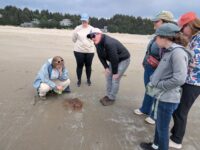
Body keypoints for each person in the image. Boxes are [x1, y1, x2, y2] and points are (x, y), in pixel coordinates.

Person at [140, 23, 191, 150]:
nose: (155, 40)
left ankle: (160, 146)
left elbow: (179, 78)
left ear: (165, 37)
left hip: (167, 98)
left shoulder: (177, 53)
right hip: (162, 96)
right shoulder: (169, 51)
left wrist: (159, 84)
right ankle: (155, 145)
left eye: (157, 37)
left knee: (162, 128)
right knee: (159, 124)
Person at [134, 11, 175, 125]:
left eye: (157, 21)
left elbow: (169, 56)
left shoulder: (171, 36)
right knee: (149, 88)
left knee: (157, 92)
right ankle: (145, 109)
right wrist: (144, 61)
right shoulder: (158, 34)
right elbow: (149, 50)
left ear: (165, 22)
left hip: (159, 69)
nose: (154, 23)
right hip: (150, 66)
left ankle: (154, 115)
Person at [170, 12, 200, 149]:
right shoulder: (194, 37)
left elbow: (195, 62)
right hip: (188, 80)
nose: (182, 31)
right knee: (178, 109)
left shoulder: (198, 39)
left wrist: (182, 59)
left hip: (194, 83)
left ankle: (176, 140)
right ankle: (175, 133)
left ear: (190, 25)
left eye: (183, 28)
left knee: (181, 111)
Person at [87, 28, 130, 106]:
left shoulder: (109, 43)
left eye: (93, 35)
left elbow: (115, 58)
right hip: (113, 60)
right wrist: (106, 67)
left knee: (115, 79)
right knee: (108, 77)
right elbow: (100, 56)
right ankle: (108, 95)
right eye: (90, 36)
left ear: (100, 34)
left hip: (123, 59)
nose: (92, 38)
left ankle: (112, 98)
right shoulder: (96, 42)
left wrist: (115, 72)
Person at [72, 13, 95, 87]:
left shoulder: (92, 29)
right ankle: (79, 80)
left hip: (90, 51)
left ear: (88, 20)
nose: (84, 23)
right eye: (83, 21)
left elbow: (95, 39)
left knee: (88, 66)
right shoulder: (77, 28)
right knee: (79, 66)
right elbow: (74, 39)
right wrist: (80, 44)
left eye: (85, 21)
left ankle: (88, 79)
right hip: (78, 51)